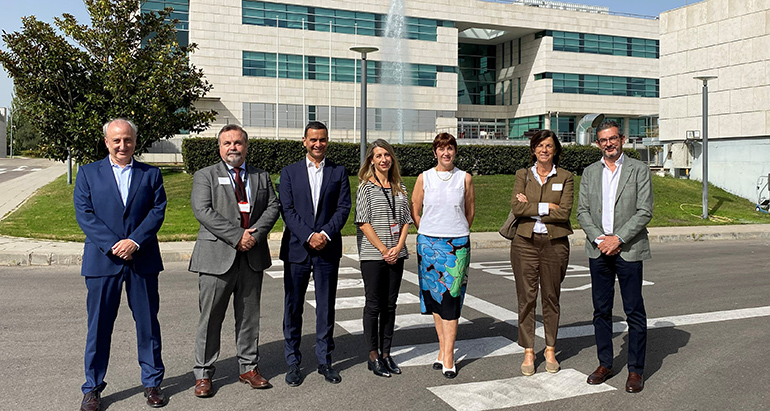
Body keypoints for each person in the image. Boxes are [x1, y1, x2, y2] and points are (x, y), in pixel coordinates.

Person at [74, 118, 168, 410]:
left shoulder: (150, 174)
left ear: (135, 141)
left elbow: (157, 210)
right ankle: (92, 388)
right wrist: (114, 244)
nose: (122, 145)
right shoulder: (88, 173)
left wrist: (134, 241)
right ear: (106, 142)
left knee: (148, 326)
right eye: (116, 140)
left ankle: (152, 383)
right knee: (99, 327)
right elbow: (85, 214)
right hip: (103, 261)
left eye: (127, 140)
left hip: (142, 258)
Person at [189, 124, 281, 397]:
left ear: (246, 146)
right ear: (220, 147)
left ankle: (248, 368)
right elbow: (202, 210)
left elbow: (273, 206)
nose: (233, 147)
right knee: (210, 318)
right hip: (217, 257)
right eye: (227, 143)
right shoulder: (205, 175)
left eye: (238, 143)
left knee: (249, 317)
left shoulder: (260, 176)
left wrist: (255, 235)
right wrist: (237, 236)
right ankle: (203, 374)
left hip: (252, 256)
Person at [577, 120, 653, 393]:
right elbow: (582, 211)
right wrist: (601, 240)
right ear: (598, 143)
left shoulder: (639, 169)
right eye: (603, 140)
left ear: (622, 139)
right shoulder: (589, 172)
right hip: (599, 250)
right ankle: (605, 363)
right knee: (601, 310)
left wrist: (618, 239)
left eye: (612, 138)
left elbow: (644, 211)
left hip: (628, 248)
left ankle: (635, 370)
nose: (608, 143)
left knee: (633, 310)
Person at [279, 121, 352, 386]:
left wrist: (325, 234)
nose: (318, 144)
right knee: (293, 308)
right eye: (313, 140)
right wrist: (309, 236)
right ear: (304, 141)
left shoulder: (338, 172)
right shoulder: (289, 173)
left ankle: (325, 361)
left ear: (327, 141)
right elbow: (287, 210)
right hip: (297, 250)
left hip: (327, 250)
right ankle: (293, 362)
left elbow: (343, 208)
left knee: (325, 308)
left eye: (322, 140)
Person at [509, 129, 573, 376]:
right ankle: (528, 350)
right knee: (526, 297)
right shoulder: (523, 175)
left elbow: (564, 212)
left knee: (551, 297)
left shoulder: (565, 177)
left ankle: (550, 349)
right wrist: (547, 206)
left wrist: (531, 207)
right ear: (533, 149)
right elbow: (516, 207)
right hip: (525, 242)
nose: (544, 150)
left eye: (548, 145)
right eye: (539, 145)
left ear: (555, 149)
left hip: (554, 244)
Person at [411, 132, 475, 379]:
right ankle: (442, 349)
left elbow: (469, 211)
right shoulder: (424, 177)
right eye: (441, 148)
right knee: (435, 299)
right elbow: (415, 209)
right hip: (428, 244)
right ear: (435, 152)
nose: (446, 153)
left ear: (455, 152)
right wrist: (428, 230)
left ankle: (449, 356)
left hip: (456, 245)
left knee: (451, 300)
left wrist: (454, 230)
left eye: (450, 149)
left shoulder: (464, 178)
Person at [355, 139, 413, 378]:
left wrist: (398, 247)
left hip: (396, 254)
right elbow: (362, 221)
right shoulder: (365, 188)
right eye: (378, 155)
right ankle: (373, 355)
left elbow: (406, 220)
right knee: (374, 305)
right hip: (373, 255)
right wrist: (383, 250)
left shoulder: (399, 186)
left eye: (387, 155)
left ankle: (387, 353)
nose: (383, 159)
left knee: (390, 305)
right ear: (371, 160)